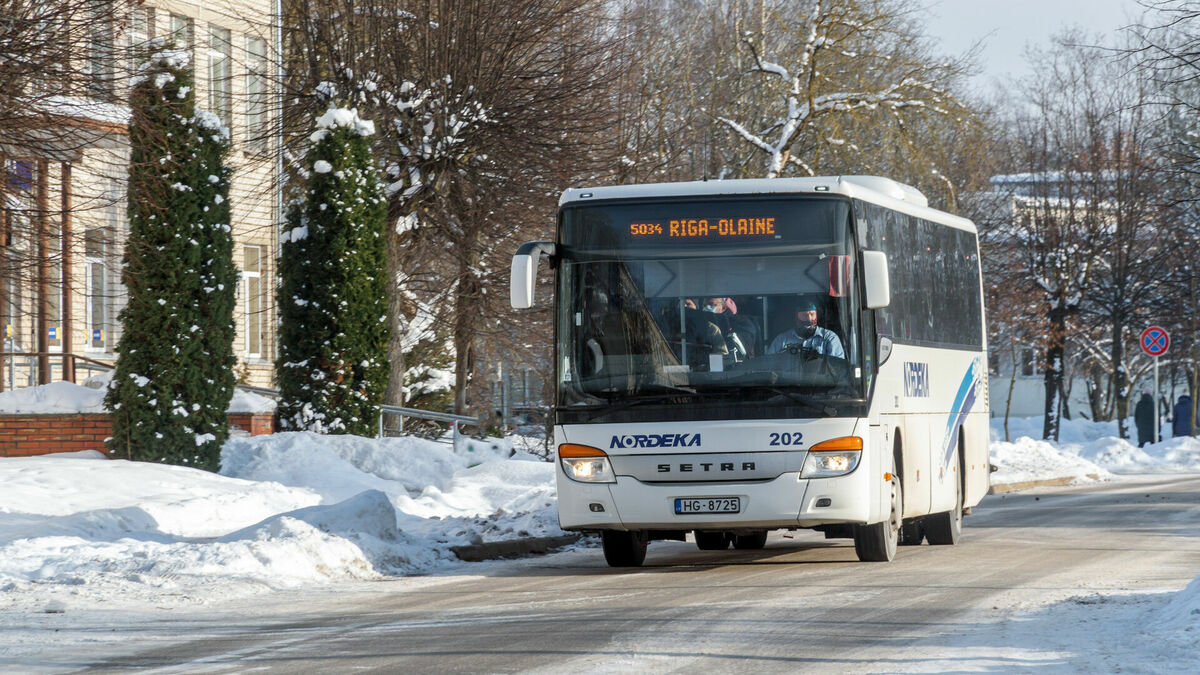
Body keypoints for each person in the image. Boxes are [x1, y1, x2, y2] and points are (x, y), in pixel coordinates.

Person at [767, 301, 844, 358]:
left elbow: (837, 369)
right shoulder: (782, 340)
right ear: (796, 318)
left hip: (821, 380)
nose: (809, 319)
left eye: (812, 314)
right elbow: (769, 365)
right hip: (788, 380)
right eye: (804, 315)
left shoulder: (829, 338)